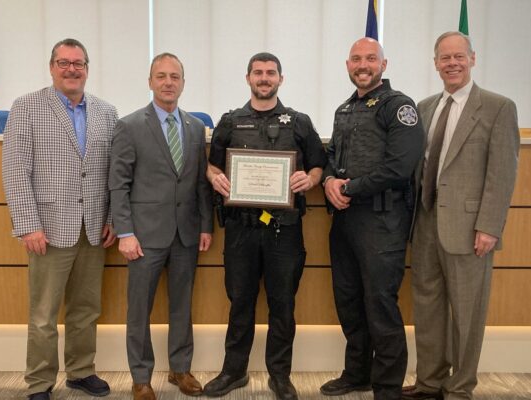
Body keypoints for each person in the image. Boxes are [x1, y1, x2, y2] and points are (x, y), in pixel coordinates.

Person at [402, 31, 519, 400]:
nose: (451, 63)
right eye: (444, 58)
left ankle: (460, 386)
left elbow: (502, 173)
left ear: (472, 59)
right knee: (428, 307)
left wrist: (489, 226)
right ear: (435, 63)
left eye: (458, 57)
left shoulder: (498, 107)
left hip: (470, 230)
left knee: (467, 314)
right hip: (425, 224)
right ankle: (430, 381)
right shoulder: (424, 107)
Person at [203, 52, 327, 400]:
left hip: (283, 229)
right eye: (258, 72)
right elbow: (212, 167)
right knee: (239, 300)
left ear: (280, 79)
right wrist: (215, 179)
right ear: (248, 78)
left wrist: (310, 178)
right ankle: (233, 371)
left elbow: (319, 165)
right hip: (241, 229)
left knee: (282, 303)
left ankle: (280, 375)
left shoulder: (299, 122)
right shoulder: (230, 121)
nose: (264, 78)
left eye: (270, 73)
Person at [2, 38, 118, 400]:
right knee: (43, 315)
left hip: (94, 228)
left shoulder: (106, 112)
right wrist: (27, 223)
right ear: (51, 67)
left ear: (87, 69)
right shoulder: (27, 107)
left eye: (78, 63)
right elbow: (15, 170)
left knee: (86, 310)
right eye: (64, 62)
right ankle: (39, 382)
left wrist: (113, 216)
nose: (71, 69)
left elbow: (115, 171)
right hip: (48, 229)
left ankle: (81, 371)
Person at [320, 38, 424, 400]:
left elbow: (400, 166)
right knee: (349, 300)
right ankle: (356, 374)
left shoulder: (399, 107)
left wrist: (349, 188)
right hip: (346, 221)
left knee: (380, 303)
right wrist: (330, 181)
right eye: (355, 59)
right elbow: (332, 155)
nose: (362, 65)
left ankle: (388, 387)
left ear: (384, 64)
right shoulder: (344, 109)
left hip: (383, 221)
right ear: (347, 65)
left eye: (370, 59)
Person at [108, 53, 213, 400]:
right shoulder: (129, 125)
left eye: (175, 77)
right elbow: (118, 184)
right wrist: (124, 232)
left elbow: (200, 183)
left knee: (182, 305)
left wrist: (205, 226)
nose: (168, 82)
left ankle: (180, 370)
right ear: (150, 81)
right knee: (139, 308)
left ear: (183, 82)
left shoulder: (196, 128)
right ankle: (141, 378)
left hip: (186, 233)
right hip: (143, 235)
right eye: (161, 76)